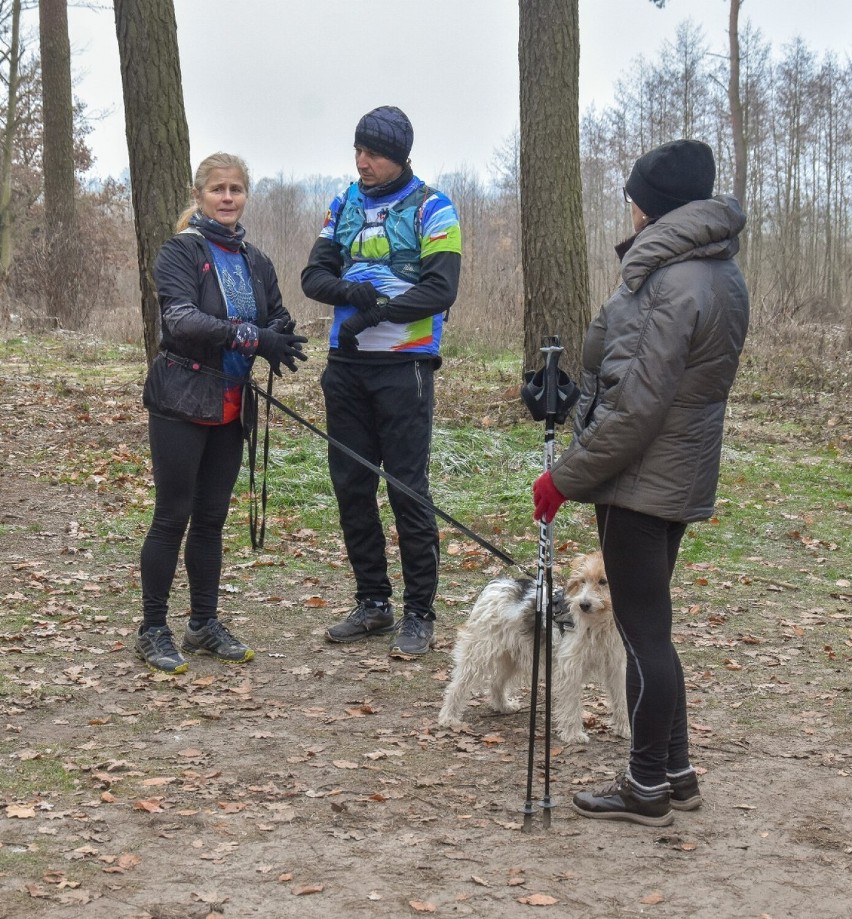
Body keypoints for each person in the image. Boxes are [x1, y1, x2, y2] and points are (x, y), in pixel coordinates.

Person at [532, 139, 749, 826]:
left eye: (633, 196)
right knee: (655, 628)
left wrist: (563, 478)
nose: (627, 207)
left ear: (650, 205)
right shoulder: (712, 272)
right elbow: (628, 379)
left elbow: (640, 406)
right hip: (672, 473)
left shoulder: (672, 281)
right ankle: (675, 774)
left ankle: (645, 785)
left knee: (645, 638)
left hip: (639, 481)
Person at [136, 152, 308, 674]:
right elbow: (182, 319)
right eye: (218, 189)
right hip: (181, 399)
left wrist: (279, 335)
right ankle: (152, 629)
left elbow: (275, 312)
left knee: (211, 519)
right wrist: (253, 336)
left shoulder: (255, 259)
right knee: (173, 516)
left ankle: (203, 624)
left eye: (236, 189)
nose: (227, 198)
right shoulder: (179, 252)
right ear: (199, 195)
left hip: (232, 404)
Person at [301, 105, 462, 658]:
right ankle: (373, 600)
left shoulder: (433, 206)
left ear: (397, 155)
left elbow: (441, 288)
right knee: (351, 486)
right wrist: (350, 296)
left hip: (405, 366)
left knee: (406, 488)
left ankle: (420, 612)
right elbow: (313, 276)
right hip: (346, 368)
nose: (361, 161)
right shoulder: (343, 202)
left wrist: (380, 313)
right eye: (358, 150)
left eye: (371, 152)